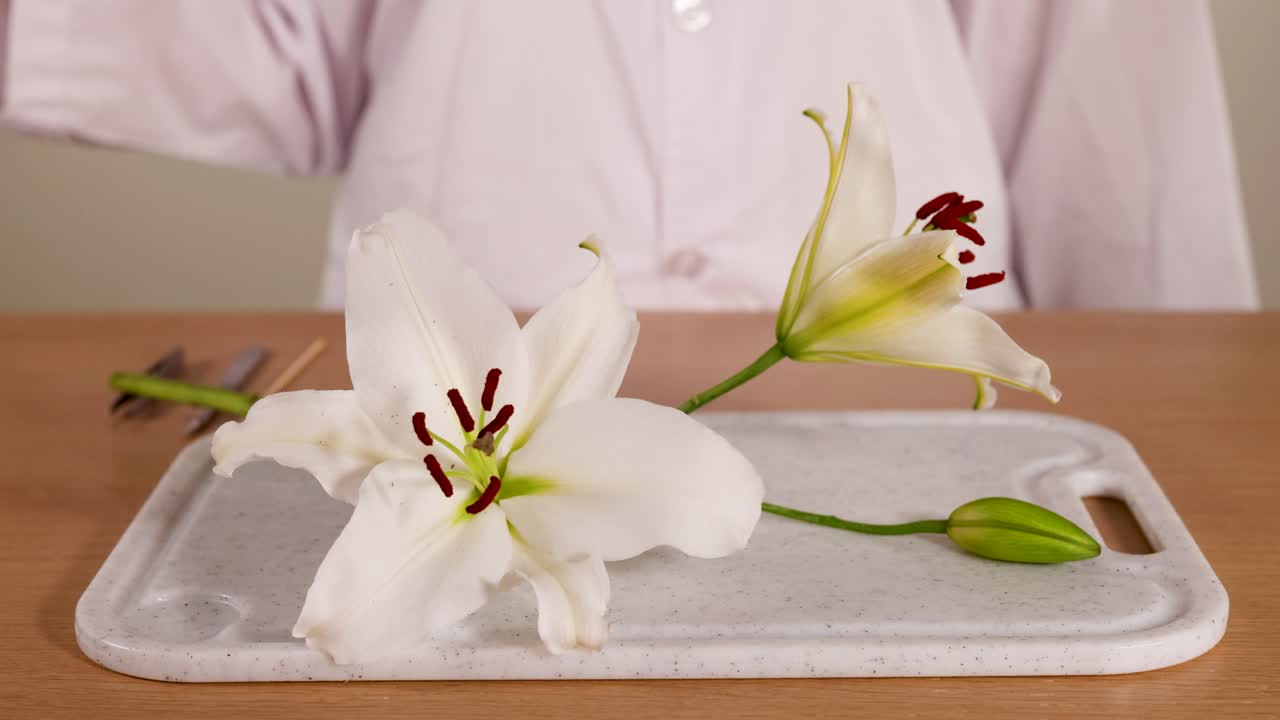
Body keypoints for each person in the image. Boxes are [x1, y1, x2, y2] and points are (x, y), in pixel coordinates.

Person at [0, 0, 1258, 310]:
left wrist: (1179, 419)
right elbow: (292, 51)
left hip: (898, 392)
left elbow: (1100, 98)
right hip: (461, 404)